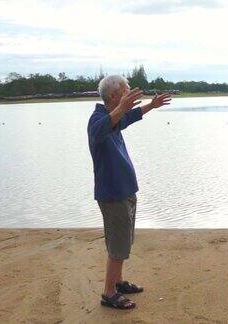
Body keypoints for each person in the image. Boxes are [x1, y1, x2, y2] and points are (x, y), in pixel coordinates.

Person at [87, 75, 171, 310]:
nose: (131, 94)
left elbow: (128, 119)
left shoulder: (113, 118)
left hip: (125, 190)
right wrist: (122, 109)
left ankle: (119, 281)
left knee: (124, 241)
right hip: (112, 193)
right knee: (117, 245)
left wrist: (150, 107)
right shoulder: (98, 118)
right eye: (126, 91)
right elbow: (97, 133)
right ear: (114, 96)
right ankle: (109, 292)